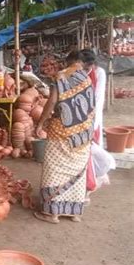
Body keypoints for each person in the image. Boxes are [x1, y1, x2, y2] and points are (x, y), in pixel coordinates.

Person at [34, 51, 95, 223]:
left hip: (61, 131)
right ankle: (74, 212)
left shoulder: (61, 76)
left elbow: (52, 102)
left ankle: (52, 213)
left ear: (72, 61)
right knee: (78, 171)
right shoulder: (86, 78)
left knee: (54, 169)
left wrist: (40, 124)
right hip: (83, 134)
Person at [80, 49, 106, 147]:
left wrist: (94, 121)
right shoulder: (78, 72)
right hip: (79, 113)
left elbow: (98, 98)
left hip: (93, 111)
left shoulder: (99, 73)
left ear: (93, 64)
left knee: (93, 142)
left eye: (87, 68)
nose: (84, 71)